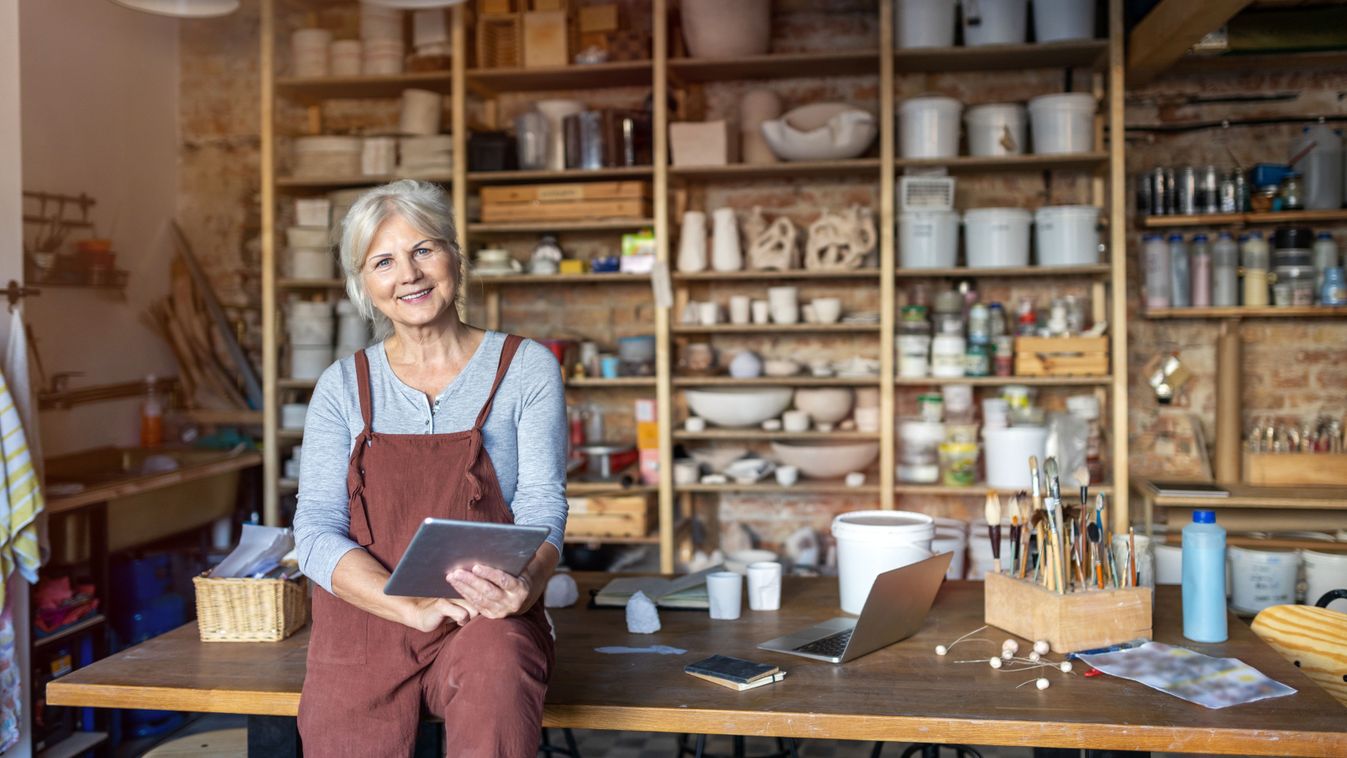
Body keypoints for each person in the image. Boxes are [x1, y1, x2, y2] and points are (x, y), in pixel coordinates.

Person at [293, 179, 567, 757]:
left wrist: (524, 586)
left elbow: (543, 506)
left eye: (424, 250)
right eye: (384, 261)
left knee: (498, 672)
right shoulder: (342, 387)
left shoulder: (526, 369)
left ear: (454, 257)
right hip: (365, 620)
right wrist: (404, 607)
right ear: (364, 285)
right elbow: (315, 527)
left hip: (483, 617)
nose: (409, 274)